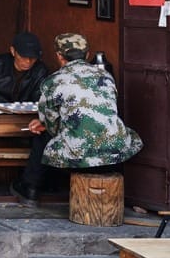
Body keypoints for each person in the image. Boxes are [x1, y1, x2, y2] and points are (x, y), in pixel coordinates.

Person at [13, 33, 143, 206]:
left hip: (79, 155)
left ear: (59, 56)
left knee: (42, 135)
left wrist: (43, 124)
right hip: (114, 152)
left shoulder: (54, 81)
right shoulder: (106, 76)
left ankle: (31, 188)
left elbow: (50, 125)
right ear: (87, 54)